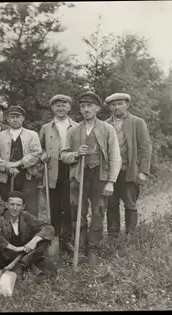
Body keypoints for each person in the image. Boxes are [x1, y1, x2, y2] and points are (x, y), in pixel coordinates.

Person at [60, 91, 121, 266]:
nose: (86, 109)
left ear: (97, 108)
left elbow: (115, 157)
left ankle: (93, 248)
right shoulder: (73, 130)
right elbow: (63, 155)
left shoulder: (107, 129)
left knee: (98, 212)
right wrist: (76, 154)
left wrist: (111, 181)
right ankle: (80, 249)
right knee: (77, 213)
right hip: (78, 177)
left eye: (89, 106)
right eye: (83, 106)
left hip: (99, 177)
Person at [104, 93, 152, 240]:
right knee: (111, 205)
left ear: (127, 104)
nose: (116, 107)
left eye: (119, 103)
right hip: (110, 173)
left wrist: (143, 171)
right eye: (113, 104)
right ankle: (113, 237)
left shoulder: (137, 122)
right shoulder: (105, 124)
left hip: (129, 171)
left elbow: (145, 147)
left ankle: (130, 236)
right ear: (110, 107)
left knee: (130, 204)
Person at [39, 95, 78, 255]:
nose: (60, 108)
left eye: (63, 105)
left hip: (70, 169)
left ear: (69, 107)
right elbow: (38, 147)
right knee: (54, 207)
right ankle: (54, 238)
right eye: (57, 106)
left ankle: (67, 239)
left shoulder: (76, 126)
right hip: (52, 170)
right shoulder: (46, 128)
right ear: (52, 109)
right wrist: (42, 154)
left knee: (68, 206)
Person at [0, 191, 56, 280]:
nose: (15, 208)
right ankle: (27, 266)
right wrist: (15, 248)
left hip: (25, 252)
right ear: (6, 205)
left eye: (18, 205)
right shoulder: (0, 218)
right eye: (12, 204)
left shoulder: (26, 216)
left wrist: (33, 241)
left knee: (44, 238)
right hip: (7, 255)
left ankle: (21, 265)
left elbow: (48, 228)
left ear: (23, 207)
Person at [0, 105, 43, 217]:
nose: (15, 119)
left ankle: (29, 232)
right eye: (12, 117)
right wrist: (7, 166)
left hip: (27, 176)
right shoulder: (0, 136)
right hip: (6, 178)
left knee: (29, 207)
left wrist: (19, 163)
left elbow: (37, 153)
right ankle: (7, 231)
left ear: (23, 118)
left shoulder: (32, 135)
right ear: (7, 119)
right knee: (6, 206)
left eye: (18, 116)